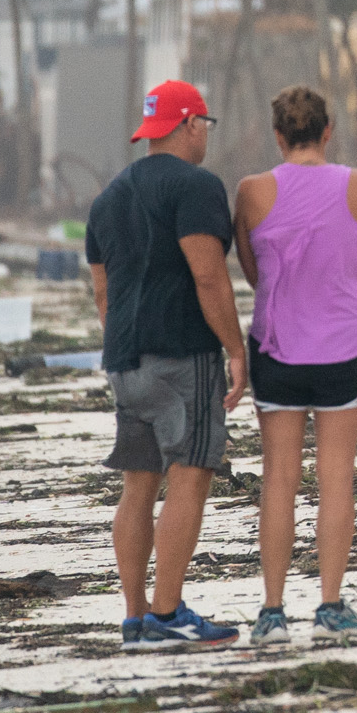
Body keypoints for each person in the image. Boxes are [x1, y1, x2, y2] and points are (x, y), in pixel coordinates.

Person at [87, 78, 246, 647]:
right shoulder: (197, 187)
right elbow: (208, 274)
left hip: (124, 357)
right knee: (191, 473)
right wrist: (235, 347)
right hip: (183, 353)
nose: (204, 134)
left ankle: (135, 618)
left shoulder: (108, 197)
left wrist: (124, 351)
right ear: (189, 125)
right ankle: (168, 612)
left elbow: (102, 292)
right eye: (203, 124)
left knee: (138, 484)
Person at [232, 85, 357, 642]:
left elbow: (252, 272)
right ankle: (331, 606)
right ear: (327, 131)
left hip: (278, 354)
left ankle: (272, 613)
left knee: (279, 481)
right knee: (336, 479)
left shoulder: (250, 191)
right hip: (344, 350)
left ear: (277, 136)